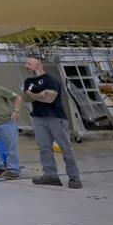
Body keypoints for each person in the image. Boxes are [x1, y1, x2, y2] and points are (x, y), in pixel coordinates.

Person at [22, 56, 80, 188]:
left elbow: (49, 99)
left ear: (38, 65)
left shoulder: (51, 80)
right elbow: (26, 98)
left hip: (56, 117)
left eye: (29, 63)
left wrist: (34, 95)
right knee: (44, 148)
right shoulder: (28, 81)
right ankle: (50, 176)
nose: (26, 66)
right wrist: (40, 94)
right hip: (38, 118)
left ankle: (74, 178)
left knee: (66, 148)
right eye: (26, 64)